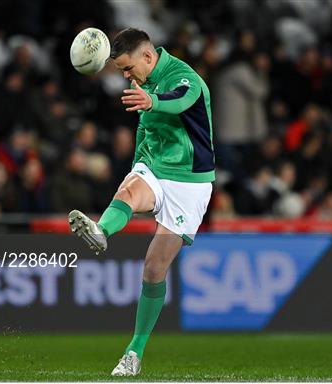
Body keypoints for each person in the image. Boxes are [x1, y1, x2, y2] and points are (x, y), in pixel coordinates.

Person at [67, 28, 215, 376]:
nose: (125, 76)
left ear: (148, 57)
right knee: (129, 191)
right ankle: (102, 231)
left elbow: (180, 101)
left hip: (190, 182)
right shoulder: (141, 80)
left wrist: (154, 101)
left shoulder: (185, 77)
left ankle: (135, 351)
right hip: (154, 167)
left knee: (153, 268)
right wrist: (137, 164)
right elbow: (145, 130)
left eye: (127, 68)